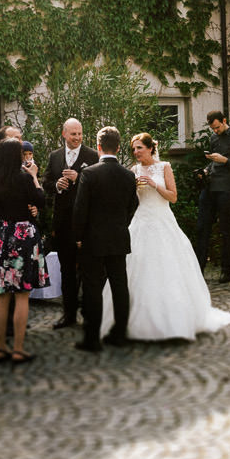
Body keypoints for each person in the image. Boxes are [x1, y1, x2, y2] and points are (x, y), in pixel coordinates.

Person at [105, 133, 230, 340]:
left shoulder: (165, 167)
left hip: (162, 221)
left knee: (167, 267)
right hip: (141, 222)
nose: (135, 152)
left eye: (139, 148)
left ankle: (172, 319)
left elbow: (174, 197)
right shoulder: (133, 171)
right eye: (133, 149)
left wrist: (154, 185)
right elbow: (129, 202)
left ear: (150, 148)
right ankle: (130, 319)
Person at [73, 126, 138, 352]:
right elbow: (133, 207)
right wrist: (121, 225)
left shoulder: (89, 174)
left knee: (92, 288)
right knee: (120, 286)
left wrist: (78, 236)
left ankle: (91, 339)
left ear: (98, 146)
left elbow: (80, 209)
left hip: (93, 240)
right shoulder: (129, 175)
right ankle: (120, 335)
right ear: (119, 147)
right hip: (119, 237)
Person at [0, 136, 48, 362]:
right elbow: (40, 200)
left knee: (1, 295)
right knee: (22, 296)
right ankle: (18, 349)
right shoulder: (23, 179)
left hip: (3, 235)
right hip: (23, 236)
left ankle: (1, 347)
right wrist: (34, 177)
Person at [44, 117, 97, 329]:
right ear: (64, 134)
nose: (77, 137)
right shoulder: (55, 156)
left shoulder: (92, 156)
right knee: (66, 270)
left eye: (80, 134)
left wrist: (79, 178)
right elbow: (45, 182)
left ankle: (89, 313)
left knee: (88, 270)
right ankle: (69, 314)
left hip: (86, 223)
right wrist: (56, 185)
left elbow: (98, 187)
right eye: (73, 134)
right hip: (63, 223)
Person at [195, 110, 230, 284]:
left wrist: (225, 160)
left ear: (224, 121)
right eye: (212, 129)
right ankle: (198, 270)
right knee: (202, 228)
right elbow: (213, 161)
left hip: (226, 189)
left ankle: (227, 271)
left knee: (226, 230)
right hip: (210, 187)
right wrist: (206, 169)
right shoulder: (213, 139)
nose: (215, 131)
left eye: (217, 127)